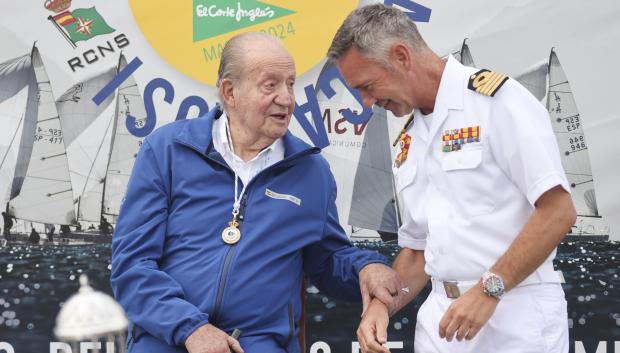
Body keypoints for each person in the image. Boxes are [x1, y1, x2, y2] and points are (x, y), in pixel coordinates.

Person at [111, 32, 403, 353]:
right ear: (229, 92)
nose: (286, 98)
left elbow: (327, 259)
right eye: (270, 85)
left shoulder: (311, 171)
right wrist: (191, 329)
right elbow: (133, 265)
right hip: (167, 342)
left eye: (290, 84)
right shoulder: (166, 149)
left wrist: (365, 267)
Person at [328, 4, 576, 353]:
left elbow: (558, 212)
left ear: (401, 56)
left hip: (515, 315)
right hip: (441, 323)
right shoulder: (409, 139)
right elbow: (417, 251)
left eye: (368, 86)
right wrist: (381, 307)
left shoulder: (498, 102)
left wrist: (489, 289)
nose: (368, 102)